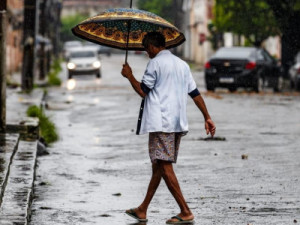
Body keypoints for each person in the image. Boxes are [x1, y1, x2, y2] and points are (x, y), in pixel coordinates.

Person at [121, 32, 216, 224]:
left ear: (154, 46)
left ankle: (185, 211)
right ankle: (143, 209)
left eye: (147, 49)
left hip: (161, 122)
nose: (147, 53)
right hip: (176, 122)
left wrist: (129, 76)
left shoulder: (155, 63)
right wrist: (207, 116)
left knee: (164, 165)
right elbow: (195, 93)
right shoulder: (182, 65)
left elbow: (143, 91)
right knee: (158, 166)